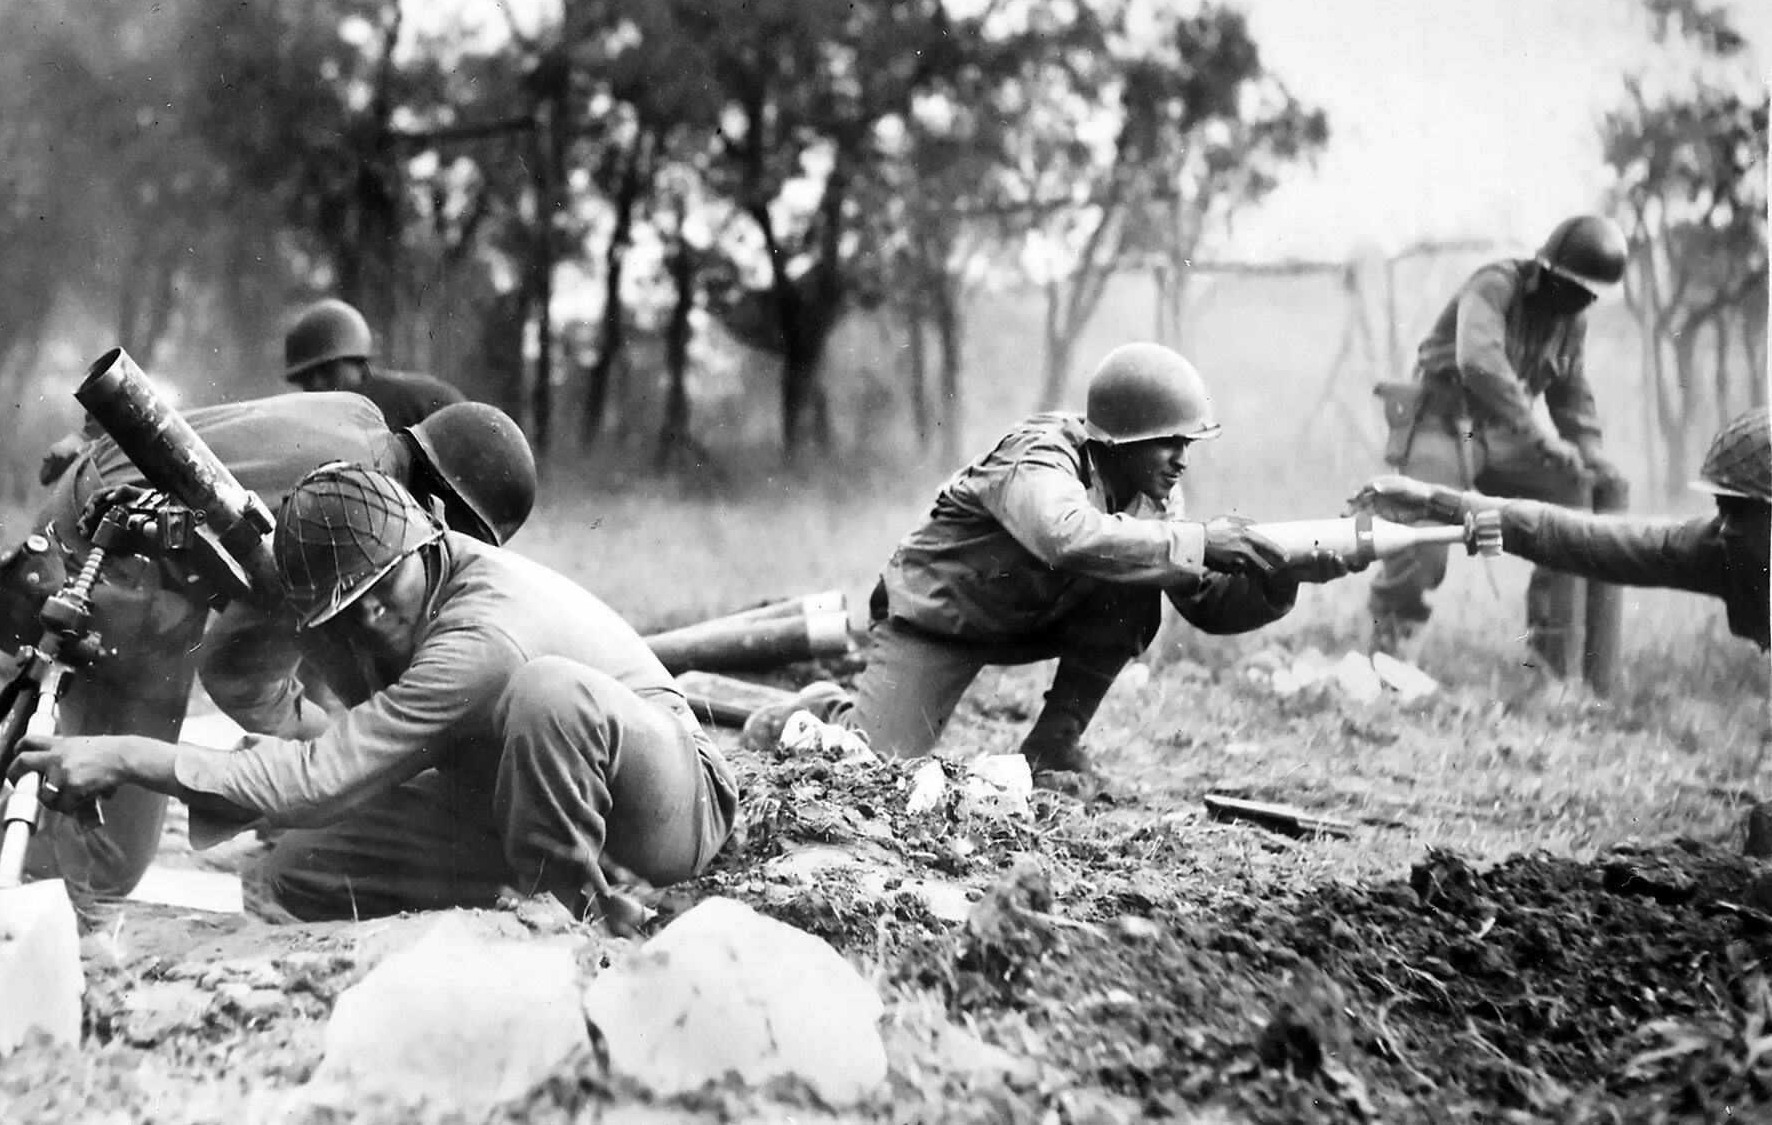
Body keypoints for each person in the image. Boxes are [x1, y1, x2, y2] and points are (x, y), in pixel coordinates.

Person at [0, 393, 537, 916]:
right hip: (113, 575)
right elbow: (236, 668)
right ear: (437, 508)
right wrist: (324, 743)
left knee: (69, 805)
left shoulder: (357, 419)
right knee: (101, 858)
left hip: (103, 527)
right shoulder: (346, 510)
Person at [12, 464, 739, 929]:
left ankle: (576, 919)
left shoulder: (482, 635)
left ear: (427, 532)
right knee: (297, 874)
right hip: (508, 792)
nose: (372, 618)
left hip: (666, 802)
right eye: (344, 610)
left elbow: (322, 778)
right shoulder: (396, 597)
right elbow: (276, 702)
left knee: (547, 692)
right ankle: (543, 879)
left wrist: (125, 754)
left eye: (380, 589)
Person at [744, 343, 1350, 789]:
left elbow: (1205, 602)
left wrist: (1282, 578)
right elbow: (1067, 538)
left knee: (1144, 579)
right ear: (1125, 439)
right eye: (1171, 442)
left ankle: (1053, 745)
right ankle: (819, 708)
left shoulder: (1155, 496)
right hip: (941, 620)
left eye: (1188, 445)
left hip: (1027, 619)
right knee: (868, 769)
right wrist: (1198, 543)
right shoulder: (1040, 456)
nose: (1181, 460)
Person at [1367, 214, 1632, 683]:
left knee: (1575, 491)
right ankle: (1388, 652)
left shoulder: (1572, 322)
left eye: (1589, 295)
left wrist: (1589, 448)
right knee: (1421, 524)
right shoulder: (1494, 286)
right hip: (1443, 423)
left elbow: (1571, 389)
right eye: (1572, 290)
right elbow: (1479, 363)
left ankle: (1552, 669)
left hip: (1504, 434)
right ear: (1544, 273)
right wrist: (1543, 440)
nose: (1579, 303)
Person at [1356, 406, 1770, 653]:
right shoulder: (1717, 545)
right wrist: (1434, 500)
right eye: (1723, 507)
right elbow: (1570, 536)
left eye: (1742, 510)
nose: (1726, 528)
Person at [283, 298, 465, 432]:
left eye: (326, 369)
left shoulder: (412, 402)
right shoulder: (322, 426)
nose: (316, 383)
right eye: (305, 377)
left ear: (357, 364)